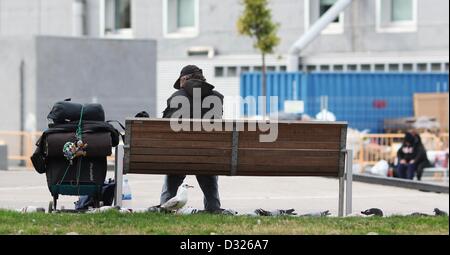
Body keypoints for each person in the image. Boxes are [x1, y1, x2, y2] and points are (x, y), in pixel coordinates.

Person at [160, 65, 224, 213]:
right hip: (207, 156)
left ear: (184, 79)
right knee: (207, 165)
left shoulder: (175, 98)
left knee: (174, 168)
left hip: (179, 156)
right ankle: (213, 208)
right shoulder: (217, 97)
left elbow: (165, 129)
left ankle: (165, 206)